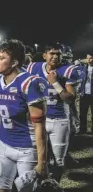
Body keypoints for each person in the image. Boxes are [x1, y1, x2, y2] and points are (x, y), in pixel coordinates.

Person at [0, 39, 48, 192]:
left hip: (27, 150)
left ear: (14, 62)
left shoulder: (30, 83)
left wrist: (42, 161)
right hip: (4, 146)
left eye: (1, 58)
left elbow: (40, 126)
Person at [27, 42, 81, 181]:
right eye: (52, 53)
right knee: (38, 158)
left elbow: (69, 99)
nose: (55, 56)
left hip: (59, 119)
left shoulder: (68, 70)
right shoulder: (34, 67)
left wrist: (56, 83)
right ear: (44, 55)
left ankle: (54, 187)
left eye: (58, 54)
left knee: (59, 161)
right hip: (39, 119)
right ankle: (41, 187)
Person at [79, 53, 93, 134]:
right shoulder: (83, 68)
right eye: (87, 58)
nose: (88, 60)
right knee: (82, 113)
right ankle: (82, 129)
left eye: (90, 58)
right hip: (84, 94)